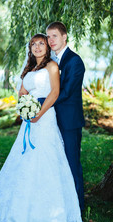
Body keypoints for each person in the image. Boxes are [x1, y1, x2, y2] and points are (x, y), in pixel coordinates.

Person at [0, 33, 83, 222]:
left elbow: (54, 92)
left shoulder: (52, 66)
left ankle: (50, 210)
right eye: (34, 44)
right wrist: (24, 110)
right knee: (24, 158)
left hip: (45, 116)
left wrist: (38, 113)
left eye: (41, 44)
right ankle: (19, 207)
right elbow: (22, 92)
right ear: (30, 48)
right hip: (30, 119)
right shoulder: (29, 68)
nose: (37, 47)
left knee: (45, 157)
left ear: (47, 47)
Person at [46, 22, 85, 212]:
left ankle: (77, 208)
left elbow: (67, 91)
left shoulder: (74, 61)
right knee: (56, 163)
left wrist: (41, 102)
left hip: (69, 122)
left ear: (64, 37)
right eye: (48, 37)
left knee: (72, 163)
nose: (50, 40)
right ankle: (61, 204)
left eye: (54, 36)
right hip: (52, 121)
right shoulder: (51, 61)